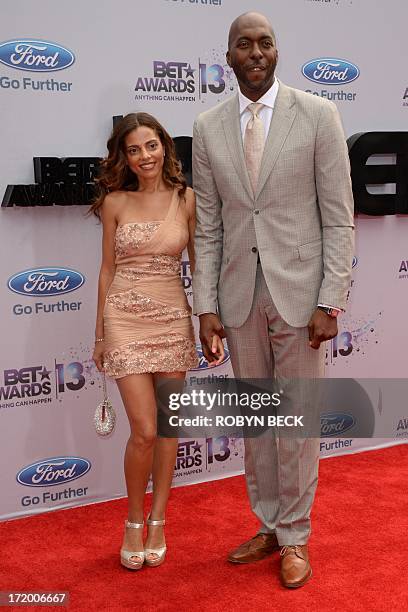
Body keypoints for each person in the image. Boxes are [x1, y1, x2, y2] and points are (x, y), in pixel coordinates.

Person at [192, 12, 354, 587]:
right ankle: (268, 523)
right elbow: (207, 226)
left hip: (301, 295)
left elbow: (338, 219)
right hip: (237, 297)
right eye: (244, 44)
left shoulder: (317, 114)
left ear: (277, 51)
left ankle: (296, 535)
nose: (256, 52)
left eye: (265, 42)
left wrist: (330, 300)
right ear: (228, 56)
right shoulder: (208, 127)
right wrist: (204, 306)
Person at [90, 113, 208, 570]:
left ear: (165, 148)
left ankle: (159, 519)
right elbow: (105, 269)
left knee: (168, 426)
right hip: (124, 317)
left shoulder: (187, 199)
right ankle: (133, 520)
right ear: (124, 156)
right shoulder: (114, 202)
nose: (144, 157)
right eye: (134, 150)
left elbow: (200, 267)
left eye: (151, 146)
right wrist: (100, 333)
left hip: (172, 316)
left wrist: (205, 322)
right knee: (143, 429)